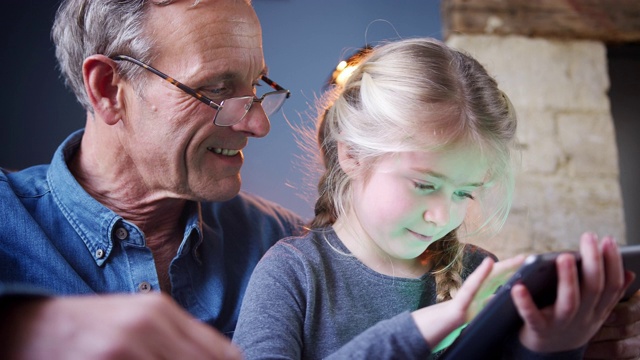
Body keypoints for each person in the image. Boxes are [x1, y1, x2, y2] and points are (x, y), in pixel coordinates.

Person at [232, 37, 633, 359]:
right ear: (351, 155)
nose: (442, 215)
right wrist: (423, 328)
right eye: (423, 184)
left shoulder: (480, 273)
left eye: (464, 192)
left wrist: (551, 347)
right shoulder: (294, 273)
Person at [0, 0, 304, 359]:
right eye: (218, 90)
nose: (257, 125)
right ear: (108, 90)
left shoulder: (285, 243)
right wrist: (21, 328)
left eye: (254, 86)